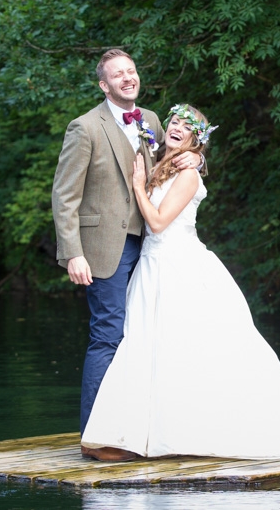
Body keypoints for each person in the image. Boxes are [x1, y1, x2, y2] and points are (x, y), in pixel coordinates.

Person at [81, 104, 280, 461]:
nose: (176, 127)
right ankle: (137, 434)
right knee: (147, 349)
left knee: (187, 349)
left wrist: (140, 185)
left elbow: (156, 222)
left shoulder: (187, 174)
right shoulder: (161, 162)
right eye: (174, 121)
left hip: (178, 266)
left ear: (196, 140)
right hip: (151, 267)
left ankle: (190, 430)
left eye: (187, 126)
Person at [51, 50, 201, 456]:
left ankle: (136, 429)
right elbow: (64, 197)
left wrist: (196, 155)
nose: (127, 78)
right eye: (117, 75)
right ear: (105, 85)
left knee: (143, 337)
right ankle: (95, 437)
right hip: (102, 249)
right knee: (108, 335)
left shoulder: (151, 121)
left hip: (150, 247)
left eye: (131, 71)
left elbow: (169, 170)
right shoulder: (84, 128)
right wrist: (73, 253)